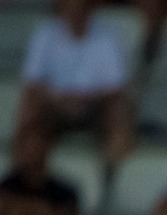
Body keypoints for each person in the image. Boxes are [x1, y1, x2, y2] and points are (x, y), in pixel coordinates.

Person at [17, 0, 132, 165]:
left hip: (94, 105)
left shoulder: (107, 36)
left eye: (80, 5)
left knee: (117, 109)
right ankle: (23, 169)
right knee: (30, 106)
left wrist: (84, 99)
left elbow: (115, 89)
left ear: (89, 7)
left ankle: (116, 170)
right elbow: (33, 84)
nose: (75, 10)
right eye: (70, 4)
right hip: (55, 105)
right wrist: (59, 100)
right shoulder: (45, 34)